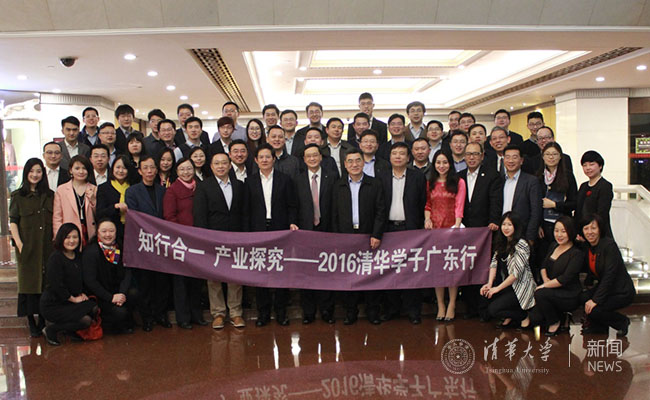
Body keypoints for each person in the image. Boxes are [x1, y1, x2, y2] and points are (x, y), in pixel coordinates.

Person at [332, 148, 386, 325]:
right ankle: (351, 312)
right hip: (346, 236)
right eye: (350, 161)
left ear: (363, 163)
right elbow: (334, 214)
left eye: (357, 160)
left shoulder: (375, 184)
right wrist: (337, 238)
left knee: (371, 274)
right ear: (345, 165)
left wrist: (376, 234)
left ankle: (373, 311)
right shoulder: (338, 185)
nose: (354, 164)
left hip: (369, 236)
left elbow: (380, 211)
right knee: (349, 275)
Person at [246, 144, 299, 326]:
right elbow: (246, 210)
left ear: (274, 159)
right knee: (260, 272)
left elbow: (292, 205)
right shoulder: (249, 182)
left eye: (268, 157)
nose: (265, 160)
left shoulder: (285, 180)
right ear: (256, 160)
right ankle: (263, 313)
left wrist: (292, 222)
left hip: (280, 230)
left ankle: (281, 312)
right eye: (261, 157)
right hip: (258, 231)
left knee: (280, 271)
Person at [194, 152, 247, 329]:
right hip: (212, 238)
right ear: (211, 166)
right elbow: (200, 215)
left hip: (236, 237)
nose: (221, 166)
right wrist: (204, 238)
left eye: (224, 163)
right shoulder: (204, 186)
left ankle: (236, 313)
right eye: (217, 163)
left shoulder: (239, 185)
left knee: (235, 276)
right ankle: (218, 313)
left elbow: (244, 213)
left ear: (230, 165)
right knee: (214, 277)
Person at [379, 142, 427, 324]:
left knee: (411, 271)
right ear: (390, 157)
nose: (398, 156)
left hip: (410, 230)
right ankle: (392, 309)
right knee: (389, 270)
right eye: (394, 153)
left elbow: (422, 203)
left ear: (408, 158)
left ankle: (413, 311)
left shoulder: (417, 177)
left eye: (402, 154)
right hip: (389, 229)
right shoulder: (381, 176)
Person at [458, 142, 503, 320]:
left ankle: (484, 308)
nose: (472, 157)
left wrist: (494, 221)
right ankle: (470, 307)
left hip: (484, 232)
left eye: (475, 154)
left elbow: (496, 201)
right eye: (468, 154)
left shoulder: (492, 175)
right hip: (464, 232)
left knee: (483, 270)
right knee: (466, 268)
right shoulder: (459, 176)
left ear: (482, 156)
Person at [125, 156, 170, 332]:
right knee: (145, 283)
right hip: (143, 242)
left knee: (162, 282)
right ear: (140, 171)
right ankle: (147, 318)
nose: (149, 171)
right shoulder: (132, 191)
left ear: (156, 170)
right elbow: (135, 216)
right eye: (146, 168)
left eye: (152, 167)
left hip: (161, 243)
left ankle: (161, 314)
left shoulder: (163, 191)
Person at [9, 158, 53, 337]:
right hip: (27, 247)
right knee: (28, 284)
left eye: (39, 171)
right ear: (26, 173)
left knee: (44, 283)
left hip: (47, 247)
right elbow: (13, 221)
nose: (35, 175)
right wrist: (20, 244)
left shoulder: (50, 195)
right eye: (32, 171)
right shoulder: (18, 196)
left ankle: (42, 320)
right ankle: (31, 322)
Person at [163, 157, 208, 329]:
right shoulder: (172, 190)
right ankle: (183, 318)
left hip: (199, 240)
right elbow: (169, 217)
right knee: (181, 281)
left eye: (189, 168)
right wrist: (183, 234)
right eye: (182, 169)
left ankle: (197, 315)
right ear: (177, 171)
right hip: (181, 241)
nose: (186, 172)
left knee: (197, 281)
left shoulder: (201, 186)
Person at [296, 144, 337, 324]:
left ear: (321, 157)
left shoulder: (332, 176)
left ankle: (327, 311)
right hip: (305, 231)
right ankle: (308, 312)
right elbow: (293, 206)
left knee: (326, 271)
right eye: (308, 156)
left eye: (315, 155)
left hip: (326, 230)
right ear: (304, 159)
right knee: (306, 272)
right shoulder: (297, 179)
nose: (312, 159)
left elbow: (337, 204)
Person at [521, 217, 582, 335]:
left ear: (570, 232)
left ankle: (555, 322)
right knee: (535, 319)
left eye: (563, 231)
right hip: (550, 289)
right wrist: (545, 281)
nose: (559, 235)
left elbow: (564, 279)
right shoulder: (553, 245)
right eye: (556, 230)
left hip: (569, 293)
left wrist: (544, 286)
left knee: (540, 293)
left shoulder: (576, 254)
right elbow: (543, 266)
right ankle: (562, 315)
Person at [424, 150, 466, 321]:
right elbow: (428, 204)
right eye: (438, 162)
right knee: (438, 270)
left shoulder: (459, 182)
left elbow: (459, 206)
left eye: (445, 162)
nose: (441, 166)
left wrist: (456, 227)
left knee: (452, 269)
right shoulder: (430, 182)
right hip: (435, 231)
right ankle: (441, 304)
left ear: (450, 164)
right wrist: (427, 219)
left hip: (452, 230)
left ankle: (452, 303)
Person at [40, 223, 98, 346]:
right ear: (61, 238)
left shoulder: (79, 256)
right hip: (54, 303)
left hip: (70, 301)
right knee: (86, 321)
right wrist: (73, 299)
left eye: (75, 237)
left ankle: (70, 330)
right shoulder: (56, 258)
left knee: (93, 308)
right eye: (67, 237)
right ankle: (51, 330)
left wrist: (82, 293)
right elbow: (56, 285)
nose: (72, 241)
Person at [580, 214, 635, 335]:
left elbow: (610, 275)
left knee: (594, 309)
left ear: (600, 229)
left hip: (621, 291)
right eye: (586, 228)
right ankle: (599, 328)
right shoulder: (588, 247)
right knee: (583, 297)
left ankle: (622, 322)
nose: (590, 232)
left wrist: (595, 300)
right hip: (607, 289)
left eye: (593, 228)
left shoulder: (609, 246)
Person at [481, 213, 536, 327]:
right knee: (484, 297)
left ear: (516, 226)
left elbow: (516, 274)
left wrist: (497, 289)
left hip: (520, 287)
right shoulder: (503, 241)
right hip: (507, 285)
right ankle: (511, 315)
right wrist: (489, 284)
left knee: (493, 310)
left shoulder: (522, 244)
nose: (506, 228)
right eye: (504, 224)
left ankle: (523, 315)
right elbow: (494, 263)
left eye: (509, 225)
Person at [82, 219, 135, 334]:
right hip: (101, 295)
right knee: (119, 313)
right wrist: (111, 297)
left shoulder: (120, 247)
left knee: (134, 293)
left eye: (111, 231)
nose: (108, 234)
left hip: (118, 292)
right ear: (97, 232)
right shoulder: (91, 252)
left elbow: (127, 273)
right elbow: (91, 281)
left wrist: (122, 294)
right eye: (104, 231)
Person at [536, 142, 577, 266]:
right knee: (543, 259)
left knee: (560, 261)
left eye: (554, 154)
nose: (551, 157)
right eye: (547, 154)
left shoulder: (568, 176)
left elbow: (574, 203)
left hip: (562, 226)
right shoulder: (538, 177)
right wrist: (538, 225)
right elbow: (534, 204)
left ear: (560, 157)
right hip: (544, 227)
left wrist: (555, 205)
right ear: (543, 157)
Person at [53, 155, 97, 248]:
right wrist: (59, 236)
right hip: (69, 234)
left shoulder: (94, 189)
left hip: (89, 232)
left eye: (84, 168)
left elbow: (98, 214)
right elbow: (57, 217)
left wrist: (93, 201)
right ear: (70, 170)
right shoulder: (62, 189)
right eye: (77, 168)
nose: (81, 171)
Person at [575, 150, 614, 239]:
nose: (588, 168)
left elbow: (602, 213)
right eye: (585, 165)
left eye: (591, 164)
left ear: (600, 166)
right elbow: (578, 211)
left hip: (598, 233)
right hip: (582, 233)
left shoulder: (605, 186)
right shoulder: (583, 186)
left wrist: (592, 230)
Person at [96, 155, 131, 241]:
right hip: (111, 231)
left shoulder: (133, 188)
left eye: (124, 168)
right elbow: (100, 213)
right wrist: (115, 207)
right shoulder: (104, 188)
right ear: (112, 169)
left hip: (130, 229)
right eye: (118, 167)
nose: (121, 171)